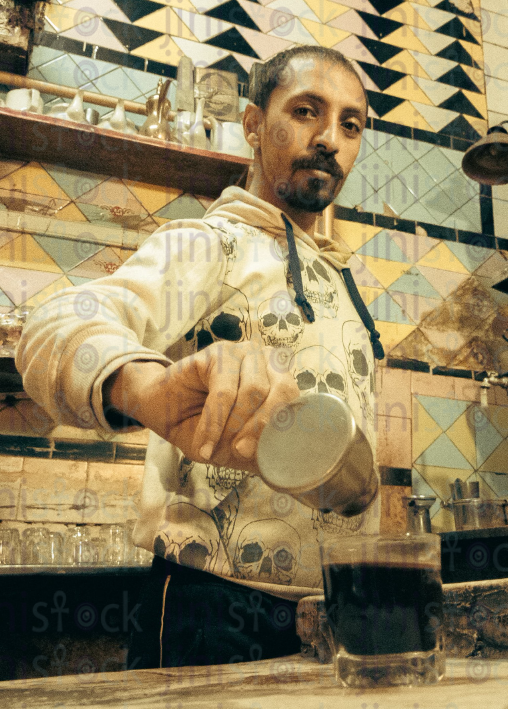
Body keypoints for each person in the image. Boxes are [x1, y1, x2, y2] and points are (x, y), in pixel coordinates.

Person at [16, 45, 384, 669]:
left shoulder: (346, 281)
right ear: (250, 125)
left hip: (332, 610)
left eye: (350, 125)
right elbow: (51, 328)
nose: (329, 138)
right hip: (212, 607)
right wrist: (145, 390)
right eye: (305, 111)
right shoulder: (209, 245)